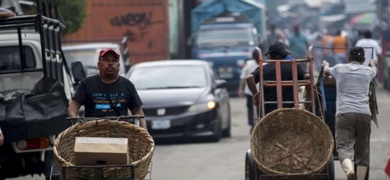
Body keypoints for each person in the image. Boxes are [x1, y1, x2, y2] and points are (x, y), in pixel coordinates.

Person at [323, 46, 377, 180]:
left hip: (344, 113)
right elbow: (374, 69)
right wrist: (373, 64)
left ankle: (349, 172)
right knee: (363, 151)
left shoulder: (339, 68)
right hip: (364, 113)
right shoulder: (369, 71)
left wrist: (326, 64)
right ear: (363, 59)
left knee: (343, 146)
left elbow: (326, 72)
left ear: (349, 58)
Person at [67, 48, 148, 131]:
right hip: (92, 133)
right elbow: (73, 108)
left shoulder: (127, 85)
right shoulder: (87, 84)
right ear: (98, 65)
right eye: (106, 60)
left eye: (114, 60)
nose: (110, 63)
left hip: (120, 133)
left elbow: (138, 112)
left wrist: (144, 132)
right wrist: (76, 123)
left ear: (119, 66)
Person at [246, 42, 310, 117]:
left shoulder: (264, 69)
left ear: (270, 56)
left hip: (268, 113)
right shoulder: (294, 67)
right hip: (290, 111)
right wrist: (308, 97)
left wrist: (256, 96)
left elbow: (249, 78)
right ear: (285, 55)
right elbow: (307, 77)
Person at [238, 48, 260, 131]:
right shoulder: (262, 64)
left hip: (250, 91)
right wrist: (240, 89)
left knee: (251, 108)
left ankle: (253, 124)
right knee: (257, 108)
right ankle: (256, 123)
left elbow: (243, 77)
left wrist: (240, 89)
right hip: (257, 91)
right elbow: (243, 77)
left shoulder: (248, 64)